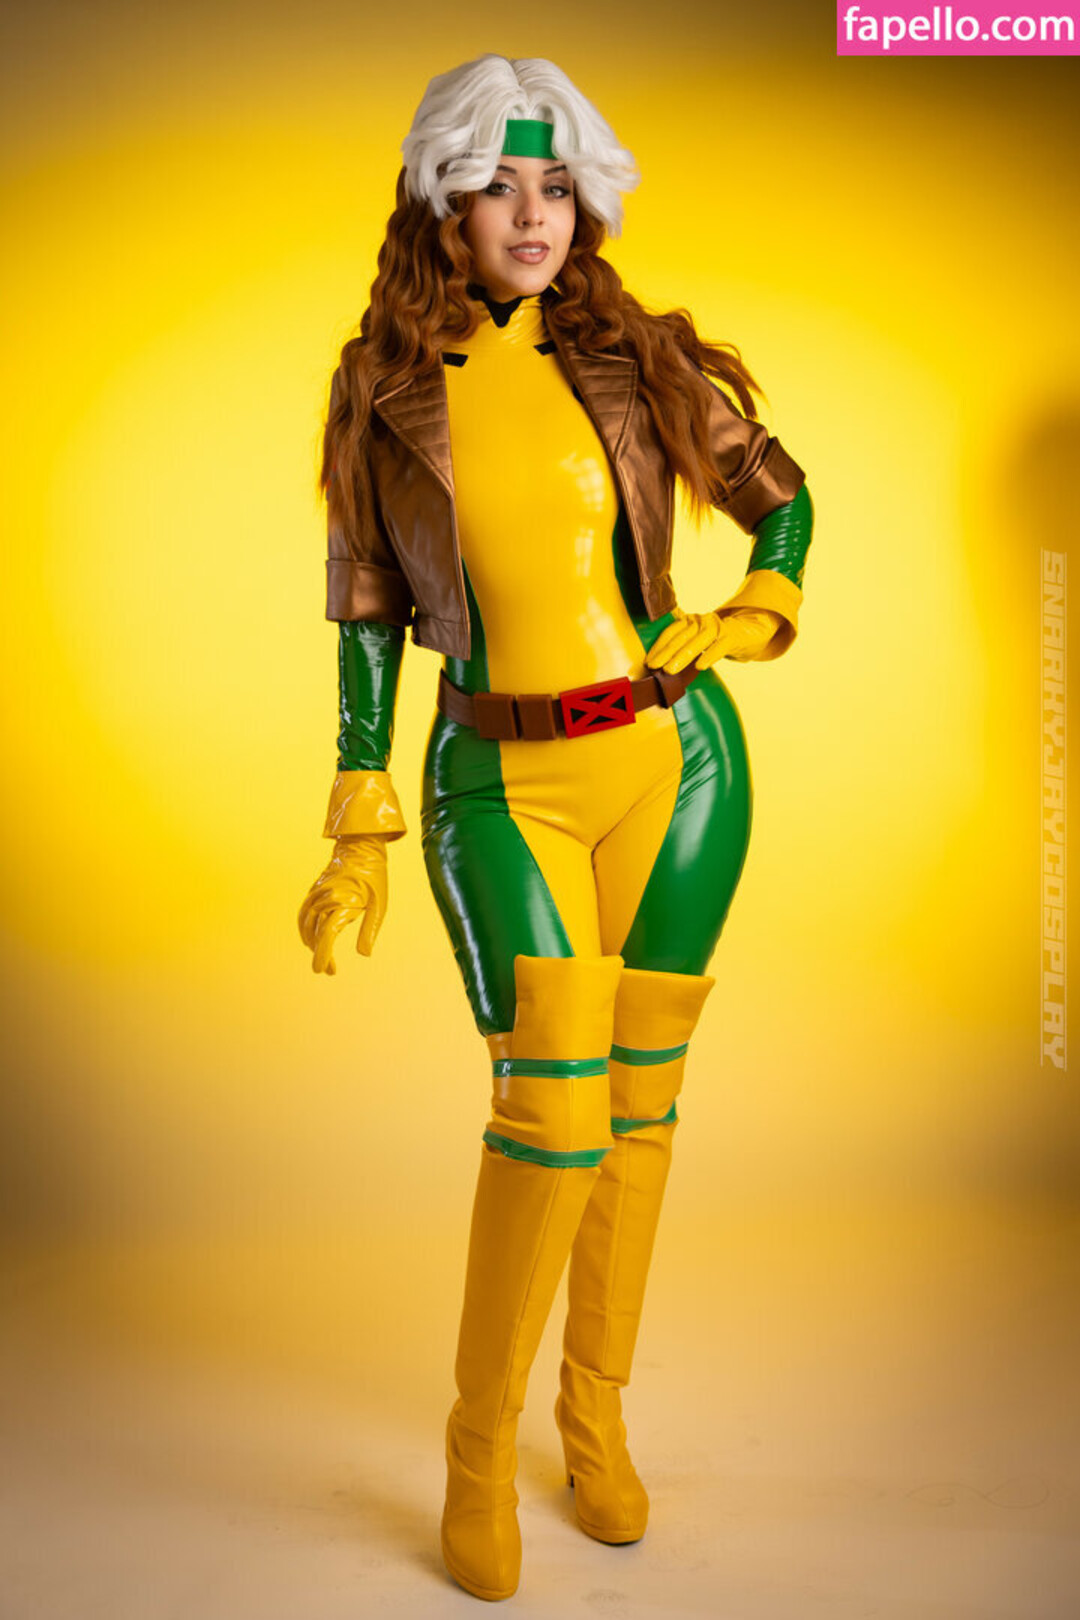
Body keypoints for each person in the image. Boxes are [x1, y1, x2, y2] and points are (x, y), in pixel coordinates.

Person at [298, 53, 813, 1603]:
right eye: (499, 185)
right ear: (441, 206)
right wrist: (361, 820)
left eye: (557, 186)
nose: (534, 215)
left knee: (641, 1115)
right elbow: (367, 611)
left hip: (676, 764)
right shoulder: (379, 385)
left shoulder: (632, 354)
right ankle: (478, 1449)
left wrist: (757, 606)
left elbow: (779, 495)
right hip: (496, 778)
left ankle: (595, 1422)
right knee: (552, 1115)